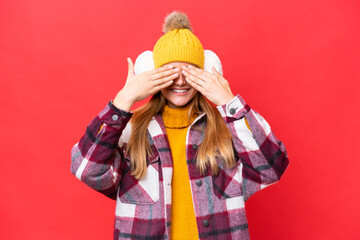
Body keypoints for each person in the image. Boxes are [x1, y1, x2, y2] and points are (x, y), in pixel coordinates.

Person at [71, 11, 289, 240]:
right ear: (153, 73)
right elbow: (87, 170)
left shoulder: (228, 129)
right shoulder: (130, 130)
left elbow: (271, 168)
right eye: (170, 71)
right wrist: (123, 100)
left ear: (203, 71)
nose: (180, 80)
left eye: (188, 71)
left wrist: (228, 101)